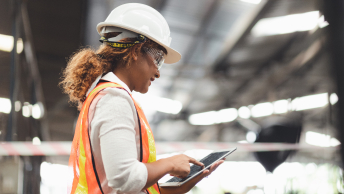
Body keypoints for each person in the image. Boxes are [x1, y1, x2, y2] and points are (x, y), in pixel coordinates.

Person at [60, 3, 224, 194]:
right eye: (158, 59)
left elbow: (116, 185)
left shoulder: (105, 95)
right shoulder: (114, 99)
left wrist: (174, 190)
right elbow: (125, 179)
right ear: (136, 51)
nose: (158, 72)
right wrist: (169, 163)